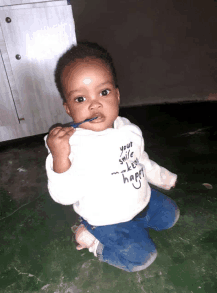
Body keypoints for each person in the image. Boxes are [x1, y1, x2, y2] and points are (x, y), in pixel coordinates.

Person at [44, 41, 180, 273]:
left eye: (103, 92)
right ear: (68, 108)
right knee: (142, 258)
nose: (95, 103)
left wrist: (163, 178)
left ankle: (137, 219)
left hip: (139, 200)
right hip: (106, 219)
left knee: (170, 216)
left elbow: (141, 160)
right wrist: (59, 157)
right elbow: (64, 196)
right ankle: (91, 237)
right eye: (80, 99)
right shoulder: (69, 145)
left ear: (116, 95)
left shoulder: (128, 129)